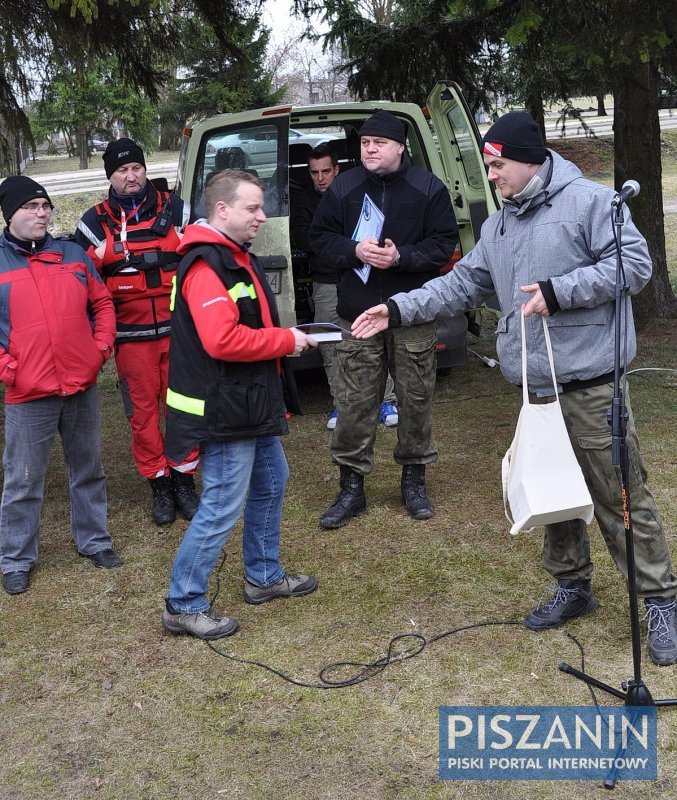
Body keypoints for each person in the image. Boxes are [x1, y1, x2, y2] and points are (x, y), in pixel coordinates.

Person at [351, 111, 677, 667]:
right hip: (535, 386)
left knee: (620, 494)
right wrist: (398, 307)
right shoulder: (501, 224)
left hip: (591, 383)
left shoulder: (591, 204)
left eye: (499, 164)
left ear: (531, 160)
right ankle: (573, 585)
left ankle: (660, 601)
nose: (492, 175)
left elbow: (635, 266)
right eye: (490, 164)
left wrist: (559, 291)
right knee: (553, 488)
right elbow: (462, 282)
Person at [161, 170, 318, 640]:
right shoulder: (208, 265)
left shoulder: (231, 258)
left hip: (247, 403)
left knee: (272, 480)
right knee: (222, 504)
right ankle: (183, 602)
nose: (262, 216)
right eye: (252, 208)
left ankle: (264, 577)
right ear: (222, 209)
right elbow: (222, 339)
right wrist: (286, 341)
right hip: (224, 409)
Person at [309, 110, 459, 527]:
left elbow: (445, 244)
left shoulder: (428, 189)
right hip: (358, 313)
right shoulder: (343, 187)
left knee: (414, 400)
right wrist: (354, 251)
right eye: (364, 143)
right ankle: (351, 487)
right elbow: (319, 240)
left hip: (411, 312)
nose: (369, 149)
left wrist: (401, 257)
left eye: (378, 142)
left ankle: (413, 480)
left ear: (399, 147)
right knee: (355, 399)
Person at [0, 176, 122, 595]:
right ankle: (16, 558)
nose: (41, 213)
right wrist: (9, 369)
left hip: (80, 384)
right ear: (10, 213)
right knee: (23, 480)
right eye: (31, 207)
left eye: (45, 206)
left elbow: (102, 302)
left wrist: (100, 348)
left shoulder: (71, 253)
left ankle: (94, 541)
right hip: (28, 392)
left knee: (88, 469)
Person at [75, 138, 199, 527]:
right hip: (131, 338)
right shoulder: (92, 223)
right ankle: (159, 484)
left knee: (183, 408)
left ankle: (183, 479)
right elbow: (84, 287)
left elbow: (204, 263)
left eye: (137, 169)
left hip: (181, 333)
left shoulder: (178, 209)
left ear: (145, 170)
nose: (131, 177)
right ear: (109, 176)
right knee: (143, 416)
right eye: (122, 171)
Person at [291, 144, 398, 430]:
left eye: (326, 171)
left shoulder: (356, 192)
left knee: (373, 339)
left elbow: (374, 230)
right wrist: (345, 244)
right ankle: (341, 402)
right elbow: (304, 237)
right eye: (314, 173)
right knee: (329, 344)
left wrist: (333, 243)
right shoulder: (303, 200)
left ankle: (386, 400)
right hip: (325, 281)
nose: (320, 178)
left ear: (337, 170)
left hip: (361, 278)